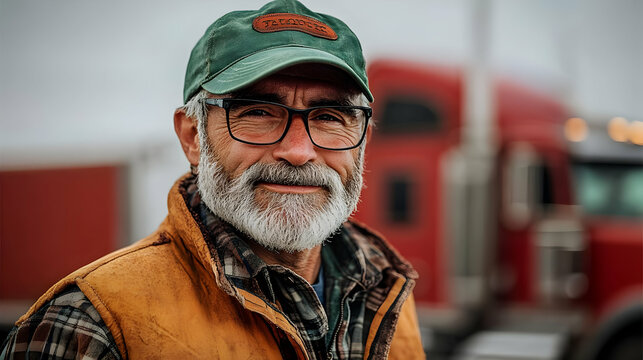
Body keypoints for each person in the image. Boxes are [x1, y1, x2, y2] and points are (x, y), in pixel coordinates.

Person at [1, 1, 424, 359]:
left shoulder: (387, 296)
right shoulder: (90, 323)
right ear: (192, 137)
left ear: (363, 141)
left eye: (330, 117)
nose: (298, 151)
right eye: (258, 112)